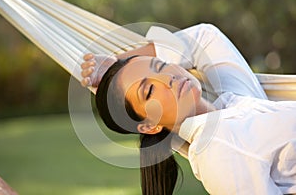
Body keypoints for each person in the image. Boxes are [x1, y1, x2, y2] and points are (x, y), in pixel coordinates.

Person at [80, 23, 296, 195]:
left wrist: (115, 62)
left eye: (161, 66)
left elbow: (205, 37)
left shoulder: (235, 100)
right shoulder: (218, 151)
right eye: (150, 90)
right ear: (149, 126)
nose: (169, 78)